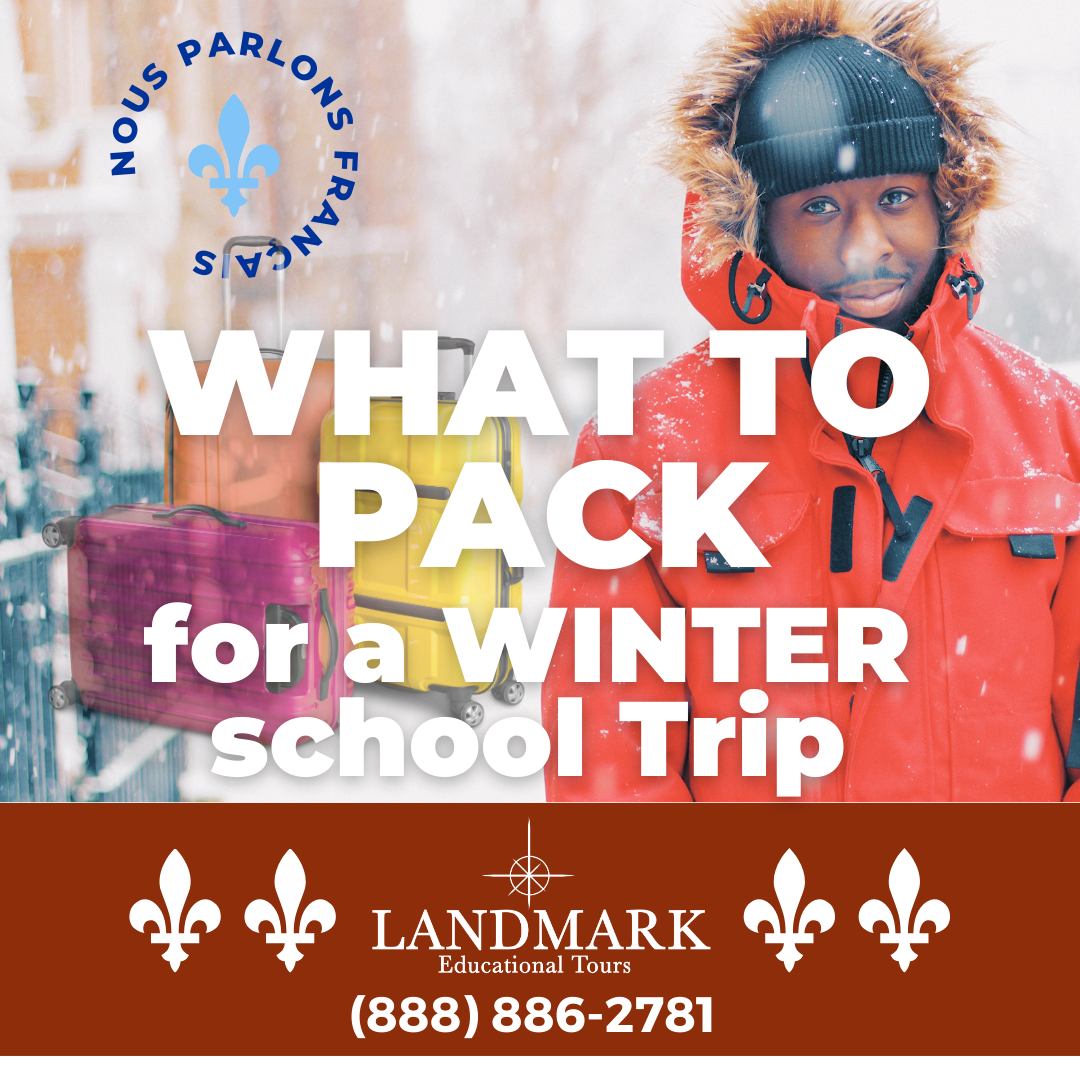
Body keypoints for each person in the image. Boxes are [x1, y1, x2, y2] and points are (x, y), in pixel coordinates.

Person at [541, 0, 1080, 801]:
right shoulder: (644, 452)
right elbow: (611, 772)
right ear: (756, 226)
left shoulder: (1054, 428)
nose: (867, 244)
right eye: (821, 207)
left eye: (895, 196)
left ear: (946, 201)